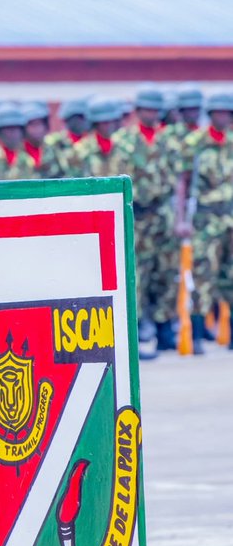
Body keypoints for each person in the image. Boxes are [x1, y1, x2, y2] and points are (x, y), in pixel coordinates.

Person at [113, 88, 179, 352]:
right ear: (138, 111)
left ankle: (165, 330)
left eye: (155, 110)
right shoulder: (124, 140)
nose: (152, 114)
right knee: (136, 273)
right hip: (137, 214)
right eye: (147, 110)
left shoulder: (168, 140)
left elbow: (179, 180)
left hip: (162, 213)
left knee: (165, 272)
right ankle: (137, 331)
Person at [174, 90, 233, 353]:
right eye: (219, 113)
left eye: (228, 113)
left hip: (230, 214)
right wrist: (181, 219)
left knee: (230, 276)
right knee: (202, 275)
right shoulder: (196, 142)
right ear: (211, 115)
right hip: (206, 217)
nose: (224, 118)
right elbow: (182, 182)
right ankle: (196, 336)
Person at [44, 98, 90, 178]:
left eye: (84, 117)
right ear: (68, 119)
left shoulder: (91, 141)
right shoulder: (55, 143)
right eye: (79, 117)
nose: (83, 121)